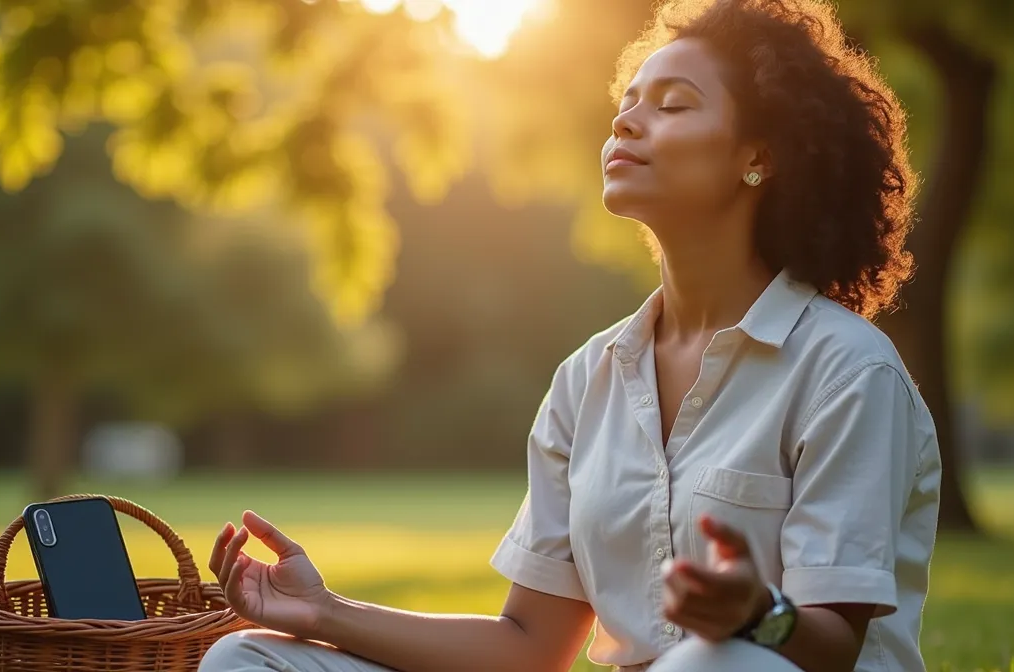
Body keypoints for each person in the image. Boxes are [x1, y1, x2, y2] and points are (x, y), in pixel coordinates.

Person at [198, 0, 941, 670]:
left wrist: (757, 615)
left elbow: (834, 647)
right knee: (246, 660)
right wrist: (325, 612)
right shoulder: (589, 378)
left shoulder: (846, 370)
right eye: (628, 103)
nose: (626, 122)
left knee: (708, 663)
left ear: (759, 156)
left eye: (674, 105)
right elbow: (528, 645)